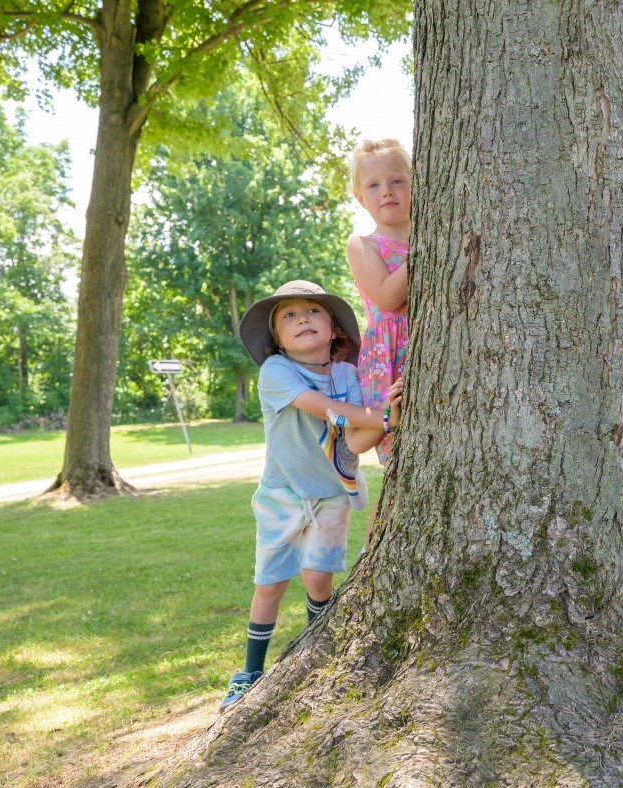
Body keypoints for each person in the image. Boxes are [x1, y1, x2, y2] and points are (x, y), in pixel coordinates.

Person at [220, 280, 401, 712]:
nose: (302, 318)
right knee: (270, 583)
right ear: (277, 341)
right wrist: (381, 415)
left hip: (331, 493)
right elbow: (325, 409)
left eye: (313, 311)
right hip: (281, 493)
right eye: (289, 316)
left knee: (318, 579)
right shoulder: (277, 373)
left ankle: (311, 659)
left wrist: (392, 415)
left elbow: (355, 443)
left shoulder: (346, 374)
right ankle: (248, 672)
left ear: (335, 329)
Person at [345, 138, 411, 463]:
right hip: (389, 354)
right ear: (360, 198)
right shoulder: (362, 245)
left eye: (397, 180)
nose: (387, 190)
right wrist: (423, 252)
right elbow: (387, 297)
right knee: (400, 461)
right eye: (374, 185)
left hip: (430, 344)